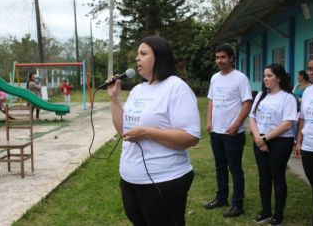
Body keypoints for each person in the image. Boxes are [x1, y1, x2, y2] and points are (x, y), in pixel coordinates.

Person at [106, 36, 201, 226]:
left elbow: (191, 137)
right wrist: (114, 99)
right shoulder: (137, 90)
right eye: (137, 54)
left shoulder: (176, 88)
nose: (137, 59)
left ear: (159, 57)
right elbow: (124, 131)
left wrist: (148, 132)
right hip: (130, 179)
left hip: (164, 180)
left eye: (143, 53)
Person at [203, 44, 252, 218]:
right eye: (217, 57)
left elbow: (247, 103)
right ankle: (221, 198)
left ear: (231, 58)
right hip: (216, 131)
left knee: (235, 168)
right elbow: (211, 100)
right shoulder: (215, 78)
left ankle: (237, 204)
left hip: (233, 133)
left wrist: (236, 125)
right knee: (220, 166)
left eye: (223, 57)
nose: (219, 61)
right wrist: (209, 121)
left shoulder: (240, 78)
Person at [249, 64, 297, 225]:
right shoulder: (261, 95)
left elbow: (287, 124)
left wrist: (264, 139)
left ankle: (278, 214)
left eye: (269, 75)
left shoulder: (287, 97)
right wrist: (258, 137)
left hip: (280, 142)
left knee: (277, 177)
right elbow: (252, 118)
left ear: (279, 78)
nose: (265, 79)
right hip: (260, 139)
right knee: (264, 177)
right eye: (264, 76)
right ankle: (266, 211)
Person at [294, 54, 313, 226]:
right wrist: (298, 142)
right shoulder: (307, 92)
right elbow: (302, 119)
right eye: (309, 69)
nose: (311, 73)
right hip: (308, 146)